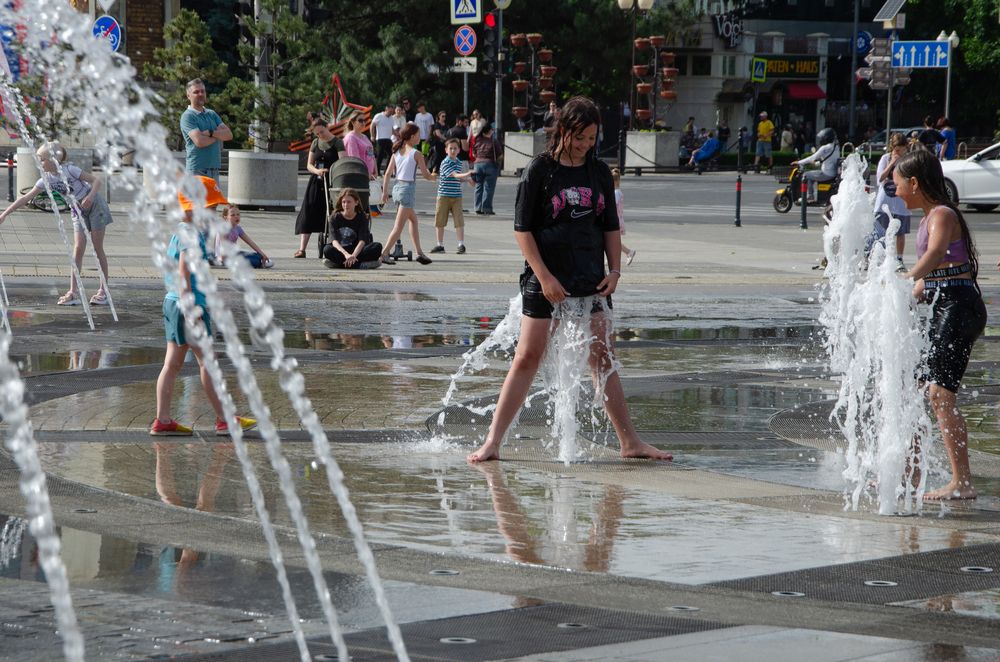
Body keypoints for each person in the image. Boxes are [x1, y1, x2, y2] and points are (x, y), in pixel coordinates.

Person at [467, 96, 672, 463]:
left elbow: (610, 226)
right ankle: (493, 441)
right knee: (527, 356)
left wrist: (615, 271)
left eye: (592, 139)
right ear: (563, 130)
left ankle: (630, 442)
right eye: (580, 138)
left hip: (591, 279)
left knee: (603, 358)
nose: (585, 145)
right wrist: (544, 276)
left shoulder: (598, 173)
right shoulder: (540, 171)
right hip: (545, 279)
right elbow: (522, 229)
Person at [897, 149, 986, 501]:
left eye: (898, 184)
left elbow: (934, 256)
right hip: (944, 305)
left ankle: (962, 482)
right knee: (920, 392)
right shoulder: (925, 219)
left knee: (940, 393)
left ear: (915, 183)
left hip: (960, 306)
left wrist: (906, 277)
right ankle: (910, 473)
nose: (896, 190)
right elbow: (930, 277)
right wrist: (899, 296)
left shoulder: (942, 215)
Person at [150, 175, 257, 437]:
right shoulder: (191, 235)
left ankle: (163, 420)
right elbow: (185, 270)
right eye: (210, 208)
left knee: (173, 365)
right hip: (188, 306)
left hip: (173, 302)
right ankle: (224, 419)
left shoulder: (180, 230)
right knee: (208, 362)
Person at [0, 142, 113, 306]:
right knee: (77, 249)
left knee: (97, 248)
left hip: (95, 205)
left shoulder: (70, 170)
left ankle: (104, 292)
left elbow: (96, 181)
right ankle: (73, 293)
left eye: (42, 159)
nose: (39, 162)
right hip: (77, 209)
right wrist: (4, 214)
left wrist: (90, 197)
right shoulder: (46, 179)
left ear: (54, 159)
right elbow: (24, 198)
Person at [379, 122, 437, 265]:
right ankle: (384, 254)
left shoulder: (397, 152)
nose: (419, 137)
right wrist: (433, 177)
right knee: (398, 227)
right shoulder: (416, 154)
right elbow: (425, 174)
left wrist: (385, 192)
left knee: (413, 220)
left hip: (397, 188)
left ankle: (419, 253)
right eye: (418, 135)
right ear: (412, 137)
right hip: (407, 190)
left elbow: (387, 174)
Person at [293, 119, 346, 258]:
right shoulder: (315, 143)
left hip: (332, 182)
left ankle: (334, 244)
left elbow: (342, 163)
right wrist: (317, 171)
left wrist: (332, 172)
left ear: (327, 128)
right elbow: (309, 165)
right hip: (317, 181)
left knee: (332, 212)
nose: (320, 135)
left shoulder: (337, 142)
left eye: (322, 132)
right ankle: (302, 249)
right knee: (308, 210)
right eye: (317, 133)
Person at [865, 133, 911, 268]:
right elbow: (880, 178)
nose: (900, 152)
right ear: (892, 148)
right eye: (897, 150)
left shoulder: (908, 160)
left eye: (902, 149)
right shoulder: (886, 158)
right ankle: (875, 258)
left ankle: (899, 259)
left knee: (901, 232)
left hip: (901, 201)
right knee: (880, 231)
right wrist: (891, 163)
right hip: (885, 200)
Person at [179, 78, 232, 183]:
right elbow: (200, 142)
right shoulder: (188, 116)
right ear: (188, 96)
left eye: (202, 91)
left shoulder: (211, 113)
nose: (200, 94)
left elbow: (229, 135)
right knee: (198, 200)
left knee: (214, 200)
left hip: (214, 170)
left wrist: (211, 133)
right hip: (197, 171)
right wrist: (218, 137)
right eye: (196, 92)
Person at [431, 138, 475, 254]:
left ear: (459, 150)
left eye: (455, 148)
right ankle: (439, 245)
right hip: (444, 196)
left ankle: (461, 244)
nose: (453, 150)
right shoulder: (445, 162)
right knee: (440, 221)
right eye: (450, 148)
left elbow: (458, 179)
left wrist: (467, 180)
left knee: (459, 221)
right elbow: (455, 175)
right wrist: (468, 174)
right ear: (446, 150)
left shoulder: (459, 162)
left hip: (456, 196)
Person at [323, 188, 383, 268]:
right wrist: (346, 255)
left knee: (377, 247)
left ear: (356, 202)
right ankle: (360, 265)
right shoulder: (334, 218)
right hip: (341, 252)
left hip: (357, 252)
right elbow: (334, 241)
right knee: (327, 249)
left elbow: (362, 241)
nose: (346, 205)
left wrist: (353, 255)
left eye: (349, 202)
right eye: (343, 202)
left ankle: (340, 265)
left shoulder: (362, 217)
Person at [342, 113, 381, 216]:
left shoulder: (364, 137)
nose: (363, 123)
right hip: (358, 178)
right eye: (360, 120)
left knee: (366, 208)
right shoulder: (351, 138)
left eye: (364, 121)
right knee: (360, 207)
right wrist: (366, 174)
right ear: (353, 122)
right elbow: (355, 160)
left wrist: (375, 171)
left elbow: (372, 155)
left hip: (368, 177)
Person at [793, 127, 839, 204]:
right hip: (833, 173)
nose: (821, 140)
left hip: (826, 173)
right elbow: (828, 158)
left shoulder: (824, 148)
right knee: (811, 176)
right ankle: (810, 195)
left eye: (823, 138)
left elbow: (812, 158)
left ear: (826, 138)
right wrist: (818, 162)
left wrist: (799, 162)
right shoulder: (836, 146)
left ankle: (809, 196)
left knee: (806, 175)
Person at [472, 123, 502, 216]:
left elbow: (474, 154)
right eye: (492, 129)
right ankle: (487, 208)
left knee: (478, 186)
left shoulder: (477, 140)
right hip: (490, 165)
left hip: (477, 165)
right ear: (489, 131)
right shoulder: (493, 141)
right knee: (489, 188)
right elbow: (500, 155)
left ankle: (477, 207)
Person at [611, 168, 635, 265]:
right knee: (613, 241)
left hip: (615, 220)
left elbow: (612, 206)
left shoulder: (616, 193)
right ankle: (628, 252)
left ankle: (629, 252)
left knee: (613, 241)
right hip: (618, 220)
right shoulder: (618, 192)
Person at [369, 103, 395, 174]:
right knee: (380, 155)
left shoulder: (391, 118)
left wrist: (398, 135)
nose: (391, 113)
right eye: (390, 112)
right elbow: (372, 125)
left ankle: (386, 171)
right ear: (386, 110)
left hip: (388, 139)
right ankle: (377, 171)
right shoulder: (379, 116)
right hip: (380, 138)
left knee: (392, 154)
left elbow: (392, 128)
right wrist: (372, 135)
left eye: (392, 112)